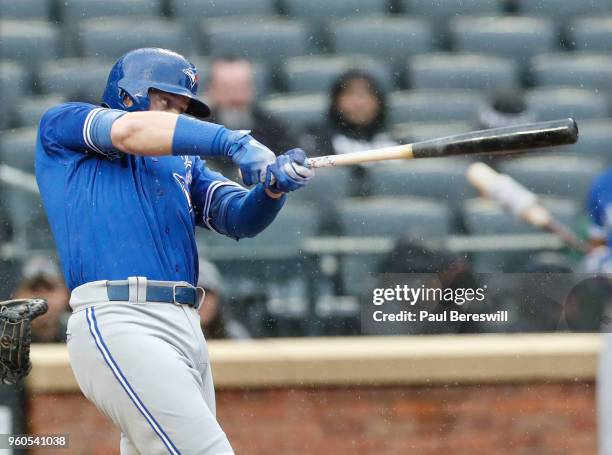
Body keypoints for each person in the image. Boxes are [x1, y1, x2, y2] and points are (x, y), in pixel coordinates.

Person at [35, 47, 314, 454]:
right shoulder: (65, 125)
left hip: (185, 323)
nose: (174, 115)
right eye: (165, 101)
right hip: (121, 317)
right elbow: (131, 132)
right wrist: (234, 140)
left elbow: (237, 218)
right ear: (127, 94)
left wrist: (272, 190)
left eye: (181, 108)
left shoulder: (183, 161)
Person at [301, 69, 396, 197]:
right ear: (336, 100)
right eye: (350, 94)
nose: (359, 103)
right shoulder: (317, 138)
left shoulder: (396, 141)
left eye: (367, 95)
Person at [205, 57, 298, 179]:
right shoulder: (200, 130)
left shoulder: (274, 127)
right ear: (211, 90)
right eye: (227, 88)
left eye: (242, 87)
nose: (236, 97)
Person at [12, 256, 70, 343]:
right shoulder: (6, 339)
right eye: (34, 289)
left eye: (49, 288)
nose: (41, 299)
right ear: (18, 296)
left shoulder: (81, 335)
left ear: (65, 295)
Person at [198, 260, 250, 340]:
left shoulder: (234, 336)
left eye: (206, 292)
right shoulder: (177, 337)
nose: (200, 301)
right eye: (196, 294)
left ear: (217, 297)